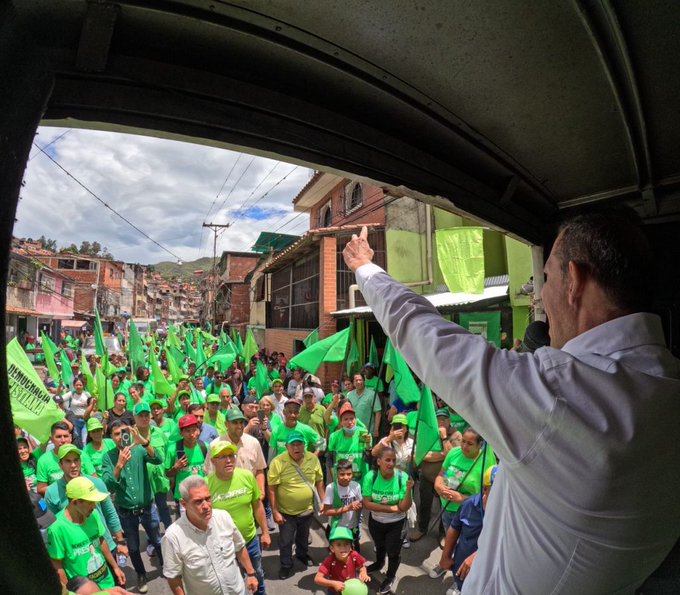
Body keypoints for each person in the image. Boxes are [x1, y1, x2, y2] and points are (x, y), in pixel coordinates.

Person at [343, 215, 680, 592]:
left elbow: (427, 337)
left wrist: (364, 267)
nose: (537, 295)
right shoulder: (666, 385)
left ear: (576, 281)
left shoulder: (558, 395)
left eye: (547, 279)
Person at [161, 475, 260, 595]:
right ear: (184, 504)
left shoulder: (223, 517)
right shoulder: (173, 536)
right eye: (198, 501)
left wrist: (250, 574)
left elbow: (239, 546)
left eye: (208, 498)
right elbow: (173, 576)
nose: (206, 506)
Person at [102, 420, 163, 593]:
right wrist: (119, 465)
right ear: (111, 437)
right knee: (134, 548)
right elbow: (108, 486)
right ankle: (141, 574)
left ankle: (167, 566)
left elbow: (157, 459)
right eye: (116, 434)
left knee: (157, 540)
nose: (121, 436)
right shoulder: (108, 457)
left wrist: (144, 442)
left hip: (147, 508)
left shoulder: (138, 449)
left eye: (124, 431)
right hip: (126, 512)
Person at [44, 444, 127, 568]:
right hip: (77, 556)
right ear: (60, 465)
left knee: (114, 582)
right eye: (68, 461)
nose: (73, 465)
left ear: (81, 462)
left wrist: (120, 541)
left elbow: (110, 513)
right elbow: (52, 527)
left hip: (105, 545)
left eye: (76, 460)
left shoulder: (96, 483)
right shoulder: (52, 492)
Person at [207, 441, 270, 595]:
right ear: (213, 461)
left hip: (250, 540)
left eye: (231, 456)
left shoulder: (247, 476)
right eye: (222, 457)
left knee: (257, 576)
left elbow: (257, 506)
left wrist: (266, 532)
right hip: (224, 546)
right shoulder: (206, 484)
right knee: (232, 584)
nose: (228, 460)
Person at [47, 476, 125, 590]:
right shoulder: (56, 529)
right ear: (74, 503)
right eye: (90, 503)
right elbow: (57, 564)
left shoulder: (93, 515)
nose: (94, 507)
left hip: (108, 583)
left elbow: (101, 541)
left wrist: (115, 567)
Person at [268, 431, 325, 579]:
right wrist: (275, 511)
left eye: (299, 444)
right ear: (286, 447)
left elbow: (319, 480)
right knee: (286, 541)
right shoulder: (278, 462)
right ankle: (286, 564)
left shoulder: (313, 459)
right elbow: (272, 488)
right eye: (292, 445)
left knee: (303, 536)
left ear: (304, 445)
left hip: (307, 510)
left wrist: (324, 501)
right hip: (286, 512)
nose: (296, 448)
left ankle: (301, 555)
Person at [438, 466, 498, 595]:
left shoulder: (510, 515)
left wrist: (477, 556)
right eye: (497, 491)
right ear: (485, 489)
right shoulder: (470, 504)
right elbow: (454, 528)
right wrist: (446, 556)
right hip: (462, 570)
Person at [362, 448, 414, 595]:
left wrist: (409, 490)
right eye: (387, 460)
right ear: (379, 461)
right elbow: (366, 503)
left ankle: (390, 576)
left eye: (393, 460)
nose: (391, 463)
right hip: (376, 522)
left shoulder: (403, 477)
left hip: (396, 524)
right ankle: (379, 563)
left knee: (393, 552)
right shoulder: (370, 476)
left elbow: (404, 507)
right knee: (379, 546)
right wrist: (392, 508)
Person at [434, 428, 497, 537]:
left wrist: (462, 499)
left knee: (463, 547)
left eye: (470, 444)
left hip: (468, 514)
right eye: (463, 441)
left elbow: (489, 496)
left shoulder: (486, 464)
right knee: (450, 542)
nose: (464, 446)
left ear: (479, 445)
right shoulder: (454, 452)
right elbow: (441, 474)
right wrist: (438, 485)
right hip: (446, 509)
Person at [133, 401, 173, 532]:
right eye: (141, 416)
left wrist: (170, 474)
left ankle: (170, 535)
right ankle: (153, 541)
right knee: (149, 514)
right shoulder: (131, 435)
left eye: (146, 415)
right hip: (143, 482)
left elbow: (167, 452)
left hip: (159, 479)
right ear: (135, 417)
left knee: (163, 508)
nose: (144, 418)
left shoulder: (159, 432)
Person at [37, 421, 97, 496]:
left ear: (71, 438)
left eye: (65, 436)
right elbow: (40, 489)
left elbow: (95, 480)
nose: (63, 440)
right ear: (51, 439)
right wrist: (64, 486)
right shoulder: (43, 460)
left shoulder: (82, 455)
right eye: (58, 437)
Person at [165, 414, 208, 508]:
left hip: (204, 496)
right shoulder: (173, 449)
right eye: (187, 431)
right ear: (181, 433)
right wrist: (175, 468)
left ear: (198, 431)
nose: (191, 434)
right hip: (184, 499)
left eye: (194, 430)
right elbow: (167, 474)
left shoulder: (205, 447)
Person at [322, 459, 362, 552]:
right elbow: (326, 512)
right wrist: (348, 508)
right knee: (338, 555)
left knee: (353, 554)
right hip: (336, 527)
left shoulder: (356, 486)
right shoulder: (331, 488)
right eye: (342, 474)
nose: (346, 477)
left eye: (349, 474)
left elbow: (360, 504)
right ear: (336, 474)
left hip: (353, 527)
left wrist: (358, 506)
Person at [314, 526, 370, 595]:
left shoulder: (354, 555)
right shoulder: (329, 561)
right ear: (332, 548)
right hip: (334, 591)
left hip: (351, 590)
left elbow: (362, 566)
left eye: (346, 544)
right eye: (338, 544)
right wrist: (333, 583)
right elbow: (317, 579)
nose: (343, 548)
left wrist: (363, 573)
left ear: (351, 547)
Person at [327, 402, 371, 482]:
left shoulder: (363, 434)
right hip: (342, 480)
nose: (349, 422)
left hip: (361, 480)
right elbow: (330, 458)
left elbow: (369, 457)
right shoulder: (334, 436)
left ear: (356, 420)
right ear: (341, 422)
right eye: (346, 419)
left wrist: (368, 445)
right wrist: (335, 477)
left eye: (351, 418)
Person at [346, 373, 381, 440]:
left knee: (367, 449)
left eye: (360, 380)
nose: (358, 382)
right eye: (356, 380)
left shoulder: (372, 394)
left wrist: (376, 429)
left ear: (364, 381)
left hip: (367, 431)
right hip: (352, 431)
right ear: (353, 383)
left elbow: (378, 413)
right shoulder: (349, 395)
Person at [62, 378, 92, 448]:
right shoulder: (71, 394)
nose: (78, 387)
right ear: (74, 386)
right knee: (77, 440)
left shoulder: (87, 394)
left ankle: (84, 456)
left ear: (83, 386)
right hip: (74, 421)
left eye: (80, 385)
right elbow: (60, 399)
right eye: (77, 385)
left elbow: (92, 404)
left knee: (84, 440)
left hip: (85, 421)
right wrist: (62, 409)